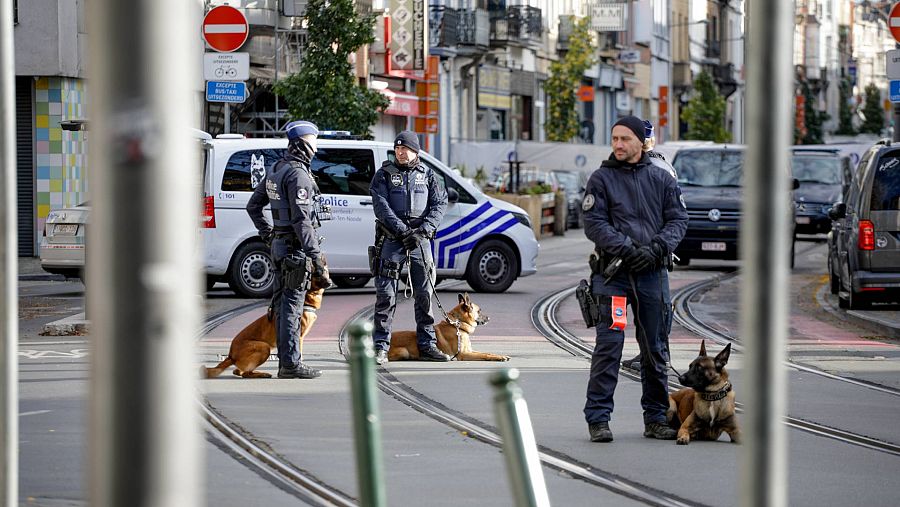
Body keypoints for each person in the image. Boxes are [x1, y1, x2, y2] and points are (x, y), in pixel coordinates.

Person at [582, 115, 688, 442]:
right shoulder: (601, 179)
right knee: (609, 346)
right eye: (614, 138)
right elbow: (594, 224)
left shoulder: (662, 178)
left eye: (625, 139)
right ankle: (598, 419)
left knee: (655, 348)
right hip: (613, 275)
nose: (618, 144)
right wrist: (628, 249)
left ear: (641, 143)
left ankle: (655, 418)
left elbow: (678, 220)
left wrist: (656, 248)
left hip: (652, 274)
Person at [246, 120, 332, 379]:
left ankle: (288, 362)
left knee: (282, 306)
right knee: (292, 308)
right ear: (304, 143)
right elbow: (301, 220)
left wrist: (268, 235)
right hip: (295, 252)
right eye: (313, 142)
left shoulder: (276, 169)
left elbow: (253, 206)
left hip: (280, 247)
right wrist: (316, 257)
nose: (316, 148)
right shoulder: (298, 175)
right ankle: (291, 365)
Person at [369, 131, 450, 365]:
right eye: (397, 148)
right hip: (392, 239)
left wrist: (422, 231)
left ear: (415, 151)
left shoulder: (428, 175)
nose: (400, 152)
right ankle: (380, 347)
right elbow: (381, 206)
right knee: (386, 295)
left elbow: (439, 204)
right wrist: (404, 232)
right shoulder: (383, 175)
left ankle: (427, 345)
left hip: (420, 241)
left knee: (424, 295)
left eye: (404, 148)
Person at [622, 119, 678, 373]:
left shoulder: (649, 167)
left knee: (652, 304)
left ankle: (656, 355)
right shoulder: (663, 164)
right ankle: (652, 353)